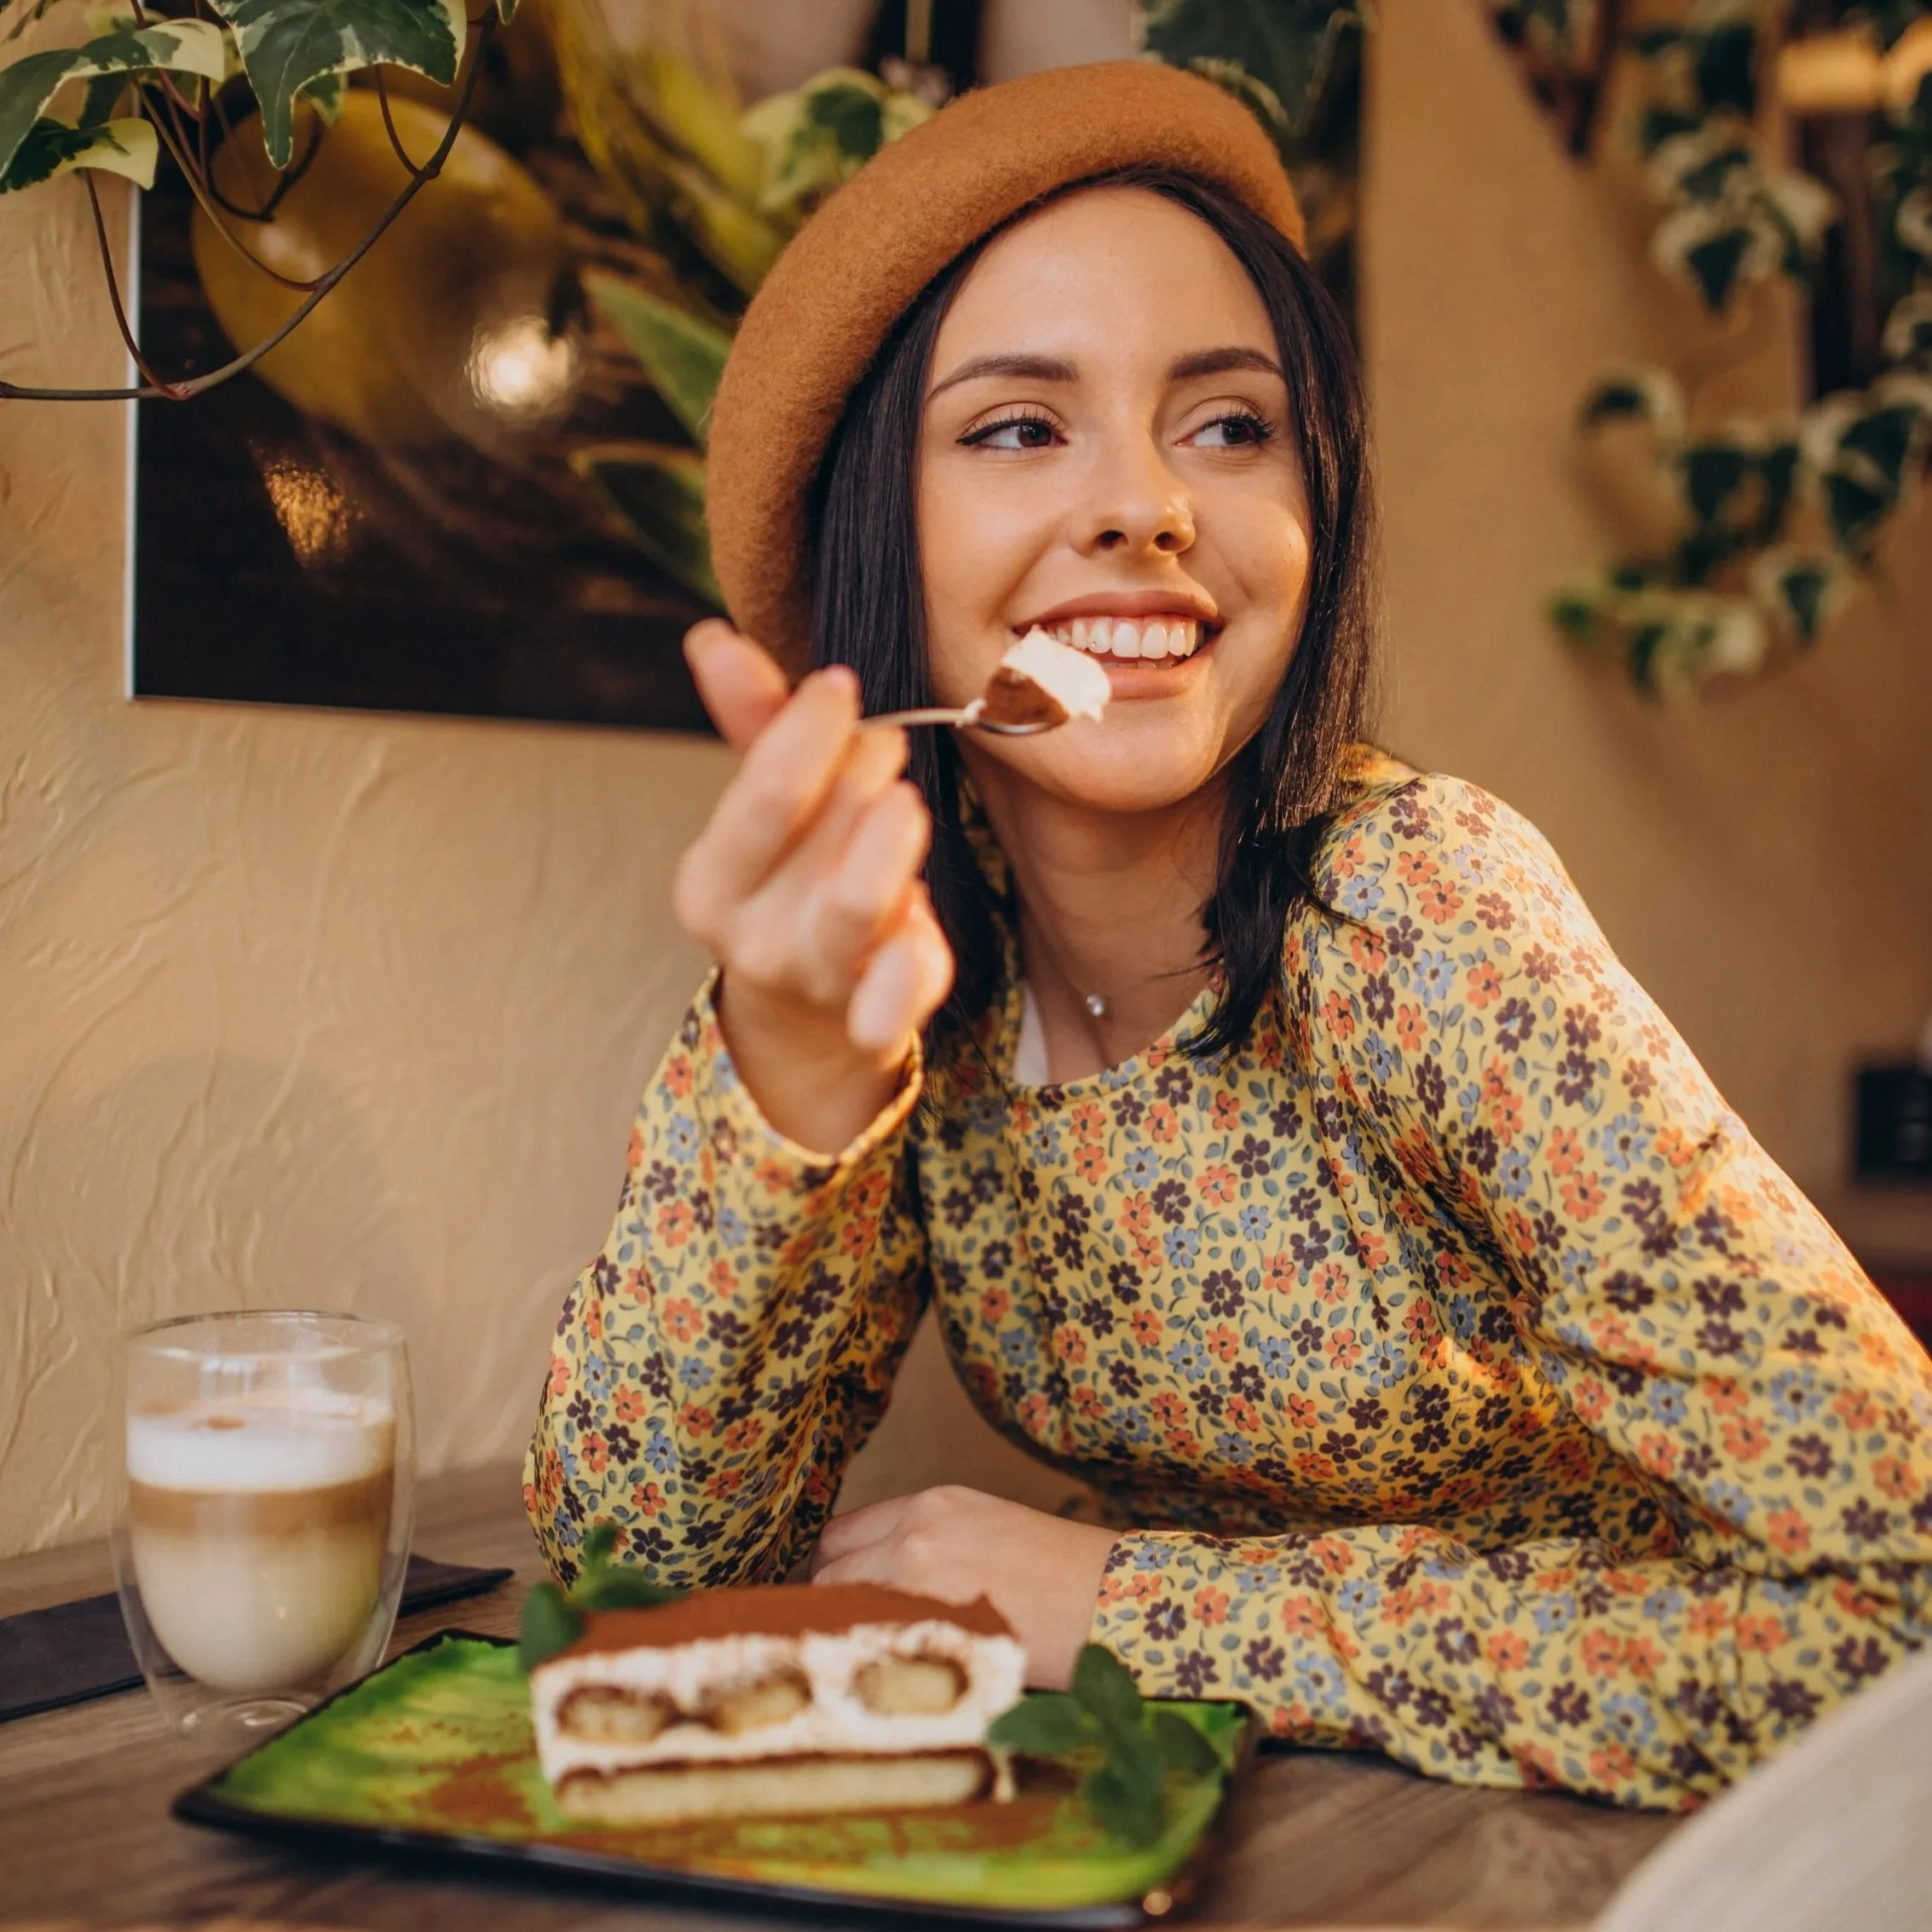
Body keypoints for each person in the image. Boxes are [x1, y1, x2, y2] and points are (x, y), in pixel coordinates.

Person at [525, 61, 1932, 1810]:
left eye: (1226, 423)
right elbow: (643, 1572)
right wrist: (788, 1076)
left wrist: (1126, 1601)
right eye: (1021, 427)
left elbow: (1905, 1613)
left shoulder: (1419, 913)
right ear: (874, 533)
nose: (1145, 504)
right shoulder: (888, 951)